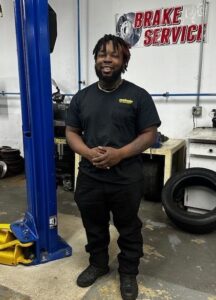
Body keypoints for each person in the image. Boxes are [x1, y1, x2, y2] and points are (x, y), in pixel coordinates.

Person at [65, 34, 161, 300]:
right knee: (93, 224)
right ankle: (98, 263)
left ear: (123, 61)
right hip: (90, 176)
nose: (107, 59)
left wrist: (120, 154)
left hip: (125, 178)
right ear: (96, 59)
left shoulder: (138, 96)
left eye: (114, 55)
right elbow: (72, 132)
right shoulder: (82, 98)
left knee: (128, 226)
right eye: (101, 54)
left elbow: (149, 134)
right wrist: (86, 152)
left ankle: (128, 272)